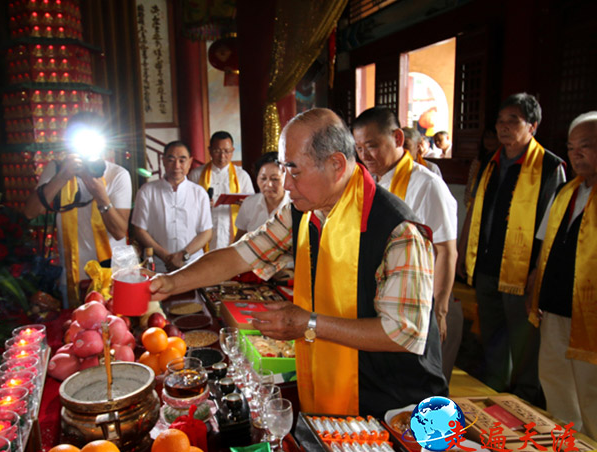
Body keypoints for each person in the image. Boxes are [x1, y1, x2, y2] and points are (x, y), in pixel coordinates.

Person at [152, 108, 447, 417]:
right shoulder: (303, 210)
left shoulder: (397, 230)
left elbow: (402, 333)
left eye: (294, 170)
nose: (286, 184)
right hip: (331, 384)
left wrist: (309, 323)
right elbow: (241, 254)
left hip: (398, 404)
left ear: (336, 165)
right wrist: (171, 282)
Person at [456, 93, 565, 404]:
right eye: (500, 121)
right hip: (488, 262)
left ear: (532, 126)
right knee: (492, 331)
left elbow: (552, 225)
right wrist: (465, 252)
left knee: (525, 338)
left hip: (522, 269)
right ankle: (495, 388)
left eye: (512, 121)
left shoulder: (549, 166)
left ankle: (527, 396)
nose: (503, 128)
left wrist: (538, 271)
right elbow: (476, 210)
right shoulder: (490, 162)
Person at [354, 107, 459, 380]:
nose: (364, 155)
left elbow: (446, 250)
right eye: (359, 148)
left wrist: (440, 310)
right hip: (382, 302)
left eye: (372, 146)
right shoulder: (369, 184)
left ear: (398, 138)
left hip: (418, 304)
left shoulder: (427, 185)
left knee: (417, 380)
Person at [528, 111, 597, 441]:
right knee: (556, 385)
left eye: (586, 145)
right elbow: (546, 249)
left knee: (594, 394)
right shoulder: (566, 192)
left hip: (594, 317)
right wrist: (536, 293)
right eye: (571, 147)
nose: (576, 154)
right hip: (555, 308)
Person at [24, 112, 132, 307]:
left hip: (113, 273)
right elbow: (30, 212)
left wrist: (101, 195)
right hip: (73, 272)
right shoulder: (57, 169)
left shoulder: (118, 174)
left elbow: (118, 232)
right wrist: (62, 176)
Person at [132, 141, 212, 272]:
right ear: (163, 161)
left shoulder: (199, 193)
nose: (177, 165)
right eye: (171, 159)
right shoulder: (147, 191)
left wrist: (183, 255)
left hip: (192, 264)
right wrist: (166, 257)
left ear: (190, 162)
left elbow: (206, 232)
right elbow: (140, 230)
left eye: (182, 160)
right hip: (157, 265)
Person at [188, 131, 254, 250]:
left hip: (232, 232)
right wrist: (201, 205)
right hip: (203, 234)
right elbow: (187, 206)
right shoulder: (196, 175)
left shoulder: (242, 176)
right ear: (210, 150)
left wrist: (245, 205)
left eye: (226, 151)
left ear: (232, 150)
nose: (222, 156)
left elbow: (254, 205)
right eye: (217, 151)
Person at [234, 152, 291, 241]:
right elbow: (239, 240)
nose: (268, 184)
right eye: (263, 178)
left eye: (275, 179)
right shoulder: (249, 203)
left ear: (286, 178)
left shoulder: (295, 204)